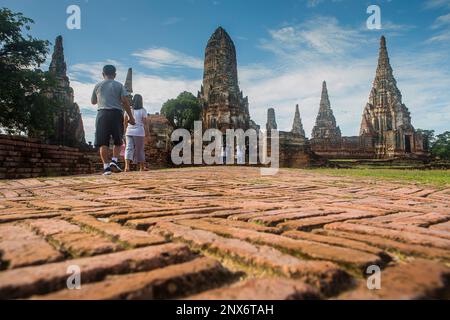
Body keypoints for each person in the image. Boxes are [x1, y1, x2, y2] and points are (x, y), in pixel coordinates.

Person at [91, 65, 135, 176]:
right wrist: (131, 117)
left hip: (102, 114)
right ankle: (114, 161)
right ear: (115, 75)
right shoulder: (119, 85)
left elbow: (93, 101)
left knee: (103, 142)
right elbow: (125, 102)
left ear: (103, 74)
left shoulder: (97, 86)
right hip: (116, 113)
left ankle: (106, 167)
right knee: (118, 140)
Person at [124, 94, 147, 172]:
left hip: (129, 131)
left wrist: (125, 131)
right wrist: (148, 133)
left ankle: (127, 167)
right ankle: (142, 167)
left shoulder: (129, 109)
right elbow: (145, 123)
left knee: (128, 148)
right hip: (139, 132)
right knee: (139, 149)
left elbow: (124, 122)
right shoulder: (143, 110)